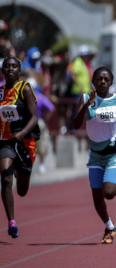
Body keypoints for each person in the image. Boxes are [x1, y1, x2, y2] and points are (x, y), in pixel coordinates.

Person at [73, 67, 116, 244]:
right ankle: (110, 226)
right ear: (93, 82)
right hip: (95, 154)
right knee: (96, 197)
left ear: (110, 82)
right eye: (99, 79)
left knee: (108, 193)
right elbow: (76, 124)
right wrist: (86, 106)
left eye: (106, 79)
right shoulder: (86, 99)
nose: (102, 81)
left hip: (114, 154)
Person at [0, 56, 40, 238]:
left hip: (24, 142)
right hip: (6, 142)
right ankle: (12, 222)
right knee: (6, 180)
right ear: (2, 70)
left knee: (22, 191)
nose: (10, 69)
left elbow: (34, 117)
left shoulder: (25, 89)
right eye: (6, 66)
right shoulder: (0, 91)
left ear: (19, 70)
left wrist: (22, 133)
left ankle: (20, 169)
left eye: (13, 66)